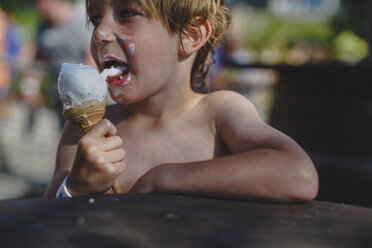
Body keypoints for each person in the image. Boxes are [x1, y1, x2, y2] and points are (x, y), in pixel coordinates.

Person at [44, 0, 319, 202]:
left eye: (127, 13)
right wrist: (75, 188)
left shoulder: (218, 114)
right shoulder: (84, 133)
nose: (99, 33)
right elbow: (41, 223)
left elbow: (298, 174)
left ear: (191, 36)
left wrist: (160, 179)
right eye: (95, 18)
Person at [34, 0, 94, 128]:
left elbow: (91, 56)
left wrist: (85, 89)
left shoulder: (81, 17)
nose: (42, 6)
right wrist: (33, 86)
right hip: (61, 96)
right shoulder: (43, 27)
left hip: (86, 95)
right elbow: (40, 59)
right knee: (67, 136)